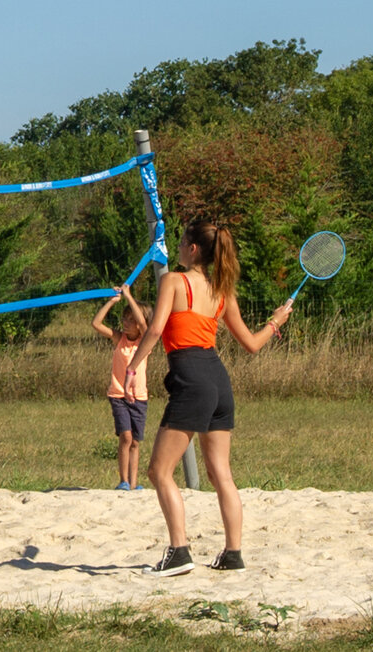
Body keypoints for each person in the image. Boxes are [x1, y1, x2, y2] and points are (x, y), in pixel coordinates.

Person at [125, 220, 293, 577]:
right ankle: (233, 554)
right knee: (222, 475)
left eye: (182, 242)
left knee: (158, 471)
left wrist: (132, 368)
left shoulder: (174, 280)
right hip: (219, 380)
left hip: (192, 379)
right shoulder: (223, 290)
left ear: (194, 250)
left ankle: (179, 552)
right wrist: (276, 322)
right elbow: (251, 344)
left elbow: (155, 329)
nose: (179, 247)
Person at [91, 283, 149, 491]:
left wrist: (129, 296)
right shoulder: (120, 339)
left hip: (139, 397)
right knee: (126, 437)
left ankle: (134, 483)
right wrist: (113, 301)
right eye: (125, 318)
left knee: (135, 442)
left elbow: (144, 324)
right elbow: (96, 323)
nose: (126, 322)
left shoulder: (145, 341)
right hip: (118, 394)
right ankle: (123, 481)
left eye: (131, 319)